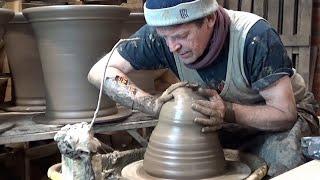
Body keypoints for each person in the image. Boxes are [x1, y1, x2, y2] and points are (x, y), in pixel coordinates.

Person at [88, 0, 319, 176]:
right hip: (220, 121)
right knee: (181, 164)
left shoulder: (254, 38)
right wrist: (151, 104)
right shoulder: (165, 36)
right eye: (164, 37)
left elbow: (285, 114)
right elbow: (100, 72)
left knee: (280, 167)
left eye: (182, 36)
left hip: (284, 117)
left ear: (209, 18)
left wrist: (227, 111)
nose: (172, 47)